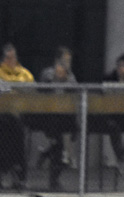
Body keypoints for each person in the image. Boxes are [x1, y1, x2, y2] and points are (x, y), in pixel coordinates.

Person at [37, 46, 79, 189]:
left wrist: (66, 79)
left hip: (64, 117)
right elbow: (43, 89)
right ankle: (53, 181)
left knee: (60, 148)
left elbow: (75, 91)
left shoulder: (70, 76)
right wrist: (56, 77)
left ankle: (47, 153)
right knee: (59, 149)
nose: (67, 64)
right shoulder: (48, 73)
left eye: (69, 61)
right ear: (57, 60)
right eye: (64, 60)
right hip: (48, 115)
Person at [0, 43, 34, 189]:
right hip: (3, 115)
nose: (11, 61)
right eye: (8, 58)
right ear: (3, 58)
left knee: (17, 132)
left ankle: (18, 174)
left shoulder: (25, 73)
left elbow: (33, 93)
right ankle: (8, 170)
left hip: (21, 115)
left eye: (13, 57)